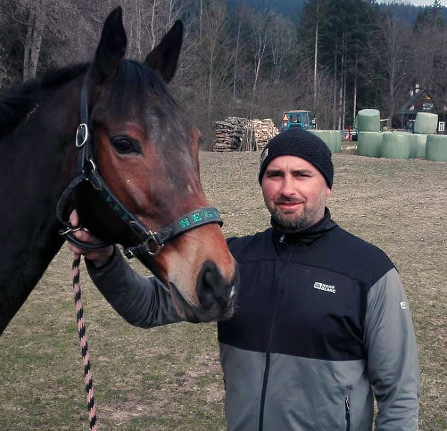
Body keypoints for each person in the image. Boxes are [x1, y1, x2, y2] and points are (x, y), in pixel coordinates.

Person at [67, 127, 420, 430]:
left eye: (302, 175)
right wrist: (104, 259)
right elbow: (146, 308)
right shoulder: (233, 261)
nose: (287, 189)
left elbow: (398, 394)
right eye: (275, 175)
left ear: (327, 186)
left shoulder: (369, 271)